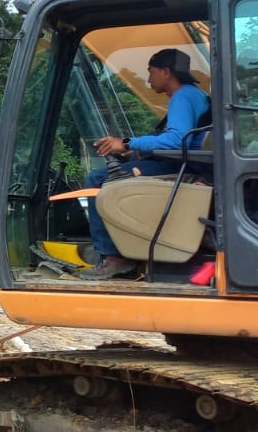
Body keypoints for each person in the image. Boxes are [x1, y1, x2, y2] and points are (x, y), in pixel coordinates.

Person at [83, 47, 213, 280]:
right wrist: (134, 150)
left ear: (166, 72)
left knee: (98, 179)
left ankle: (113, 257)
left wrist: (126, 142)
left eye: (151, 72)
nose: (148, 78)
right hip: (189, 163)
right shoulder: (196, 94)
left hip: (182, 166)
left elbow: (176, 140)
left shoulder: (182, 96)